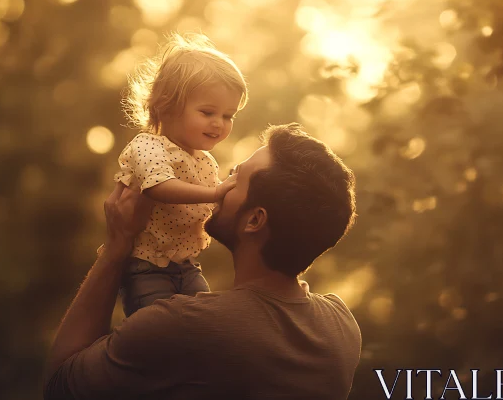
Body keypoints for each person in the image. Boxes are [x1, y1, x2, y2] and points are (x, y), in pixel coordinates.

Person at [45, 123, 361, 400]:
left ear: (254, 220)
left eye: (236, 177)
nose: (221, 181)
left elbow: (60, 385)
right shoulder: (341, 327)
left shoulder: (184, 324)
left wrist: (117, 247)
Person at [113, 33, 248, 316]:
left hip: (187, 265)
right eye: (208, 112)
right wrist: (216, 192)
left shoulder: (204, 160)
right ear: (166, 106)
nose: (219, 123)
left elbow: (210, 205)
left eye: (228, 116)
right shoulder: (148, 146)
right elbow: (159, 186)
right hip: (146, 267)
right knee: (156, 327)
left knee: (205, 322)